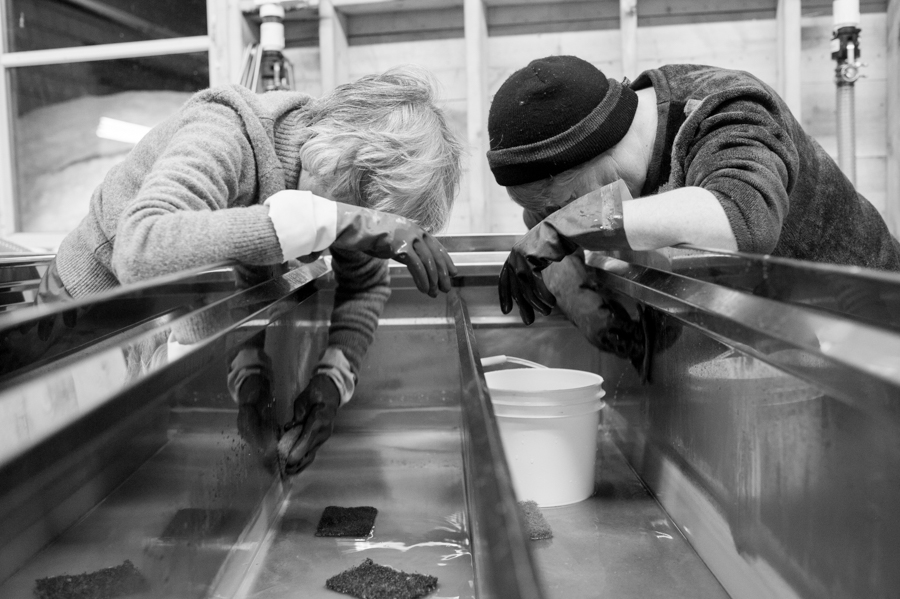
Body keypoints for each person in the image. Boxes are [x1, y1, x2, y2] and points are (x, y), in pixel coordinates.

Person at [38, 66, 463, 474]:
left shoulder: (331, 185)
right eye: (356, 217)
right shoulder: (224, 130)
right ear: (334, 162)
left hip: (169, 325)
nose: (352, 230)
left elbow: (365, 282)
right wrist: (336, 221)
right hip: (81, 327)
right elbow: (141, 251)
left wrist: (332, 379)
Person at [486, 55, 900, 344]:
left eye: (570, 202)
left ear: (594, 154)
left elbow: (742, 218)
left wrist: (574, 225)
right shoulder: (596, 173)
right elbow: (546, 225)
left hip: (870, 329)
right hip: (786, 332)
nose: (565, 214)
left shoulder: (727, 108)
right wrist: (577, 298)